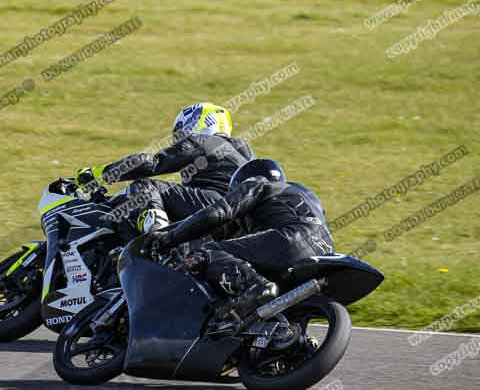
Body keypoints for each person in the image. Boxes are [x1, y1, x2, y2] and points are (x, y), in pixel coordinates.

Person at [145, 158, 335, 329]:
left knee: (209, 252)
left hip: (292, 239)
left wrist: (171, 237)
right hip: (325, 250)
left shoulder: (257, 184)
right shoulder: (304, 196)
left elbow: (218, 213)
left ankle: (255, 287)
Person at [75, 102, 254, 234]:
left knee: (145, 187)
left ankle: (155, 235)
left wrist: (99, 174)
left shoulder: (203, 141)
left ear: (198, 122)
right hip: (243, 219)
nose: (179, 137)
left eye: (181, 130)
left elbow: (150, 163)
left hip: (213, 204)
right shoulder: (244, 150)